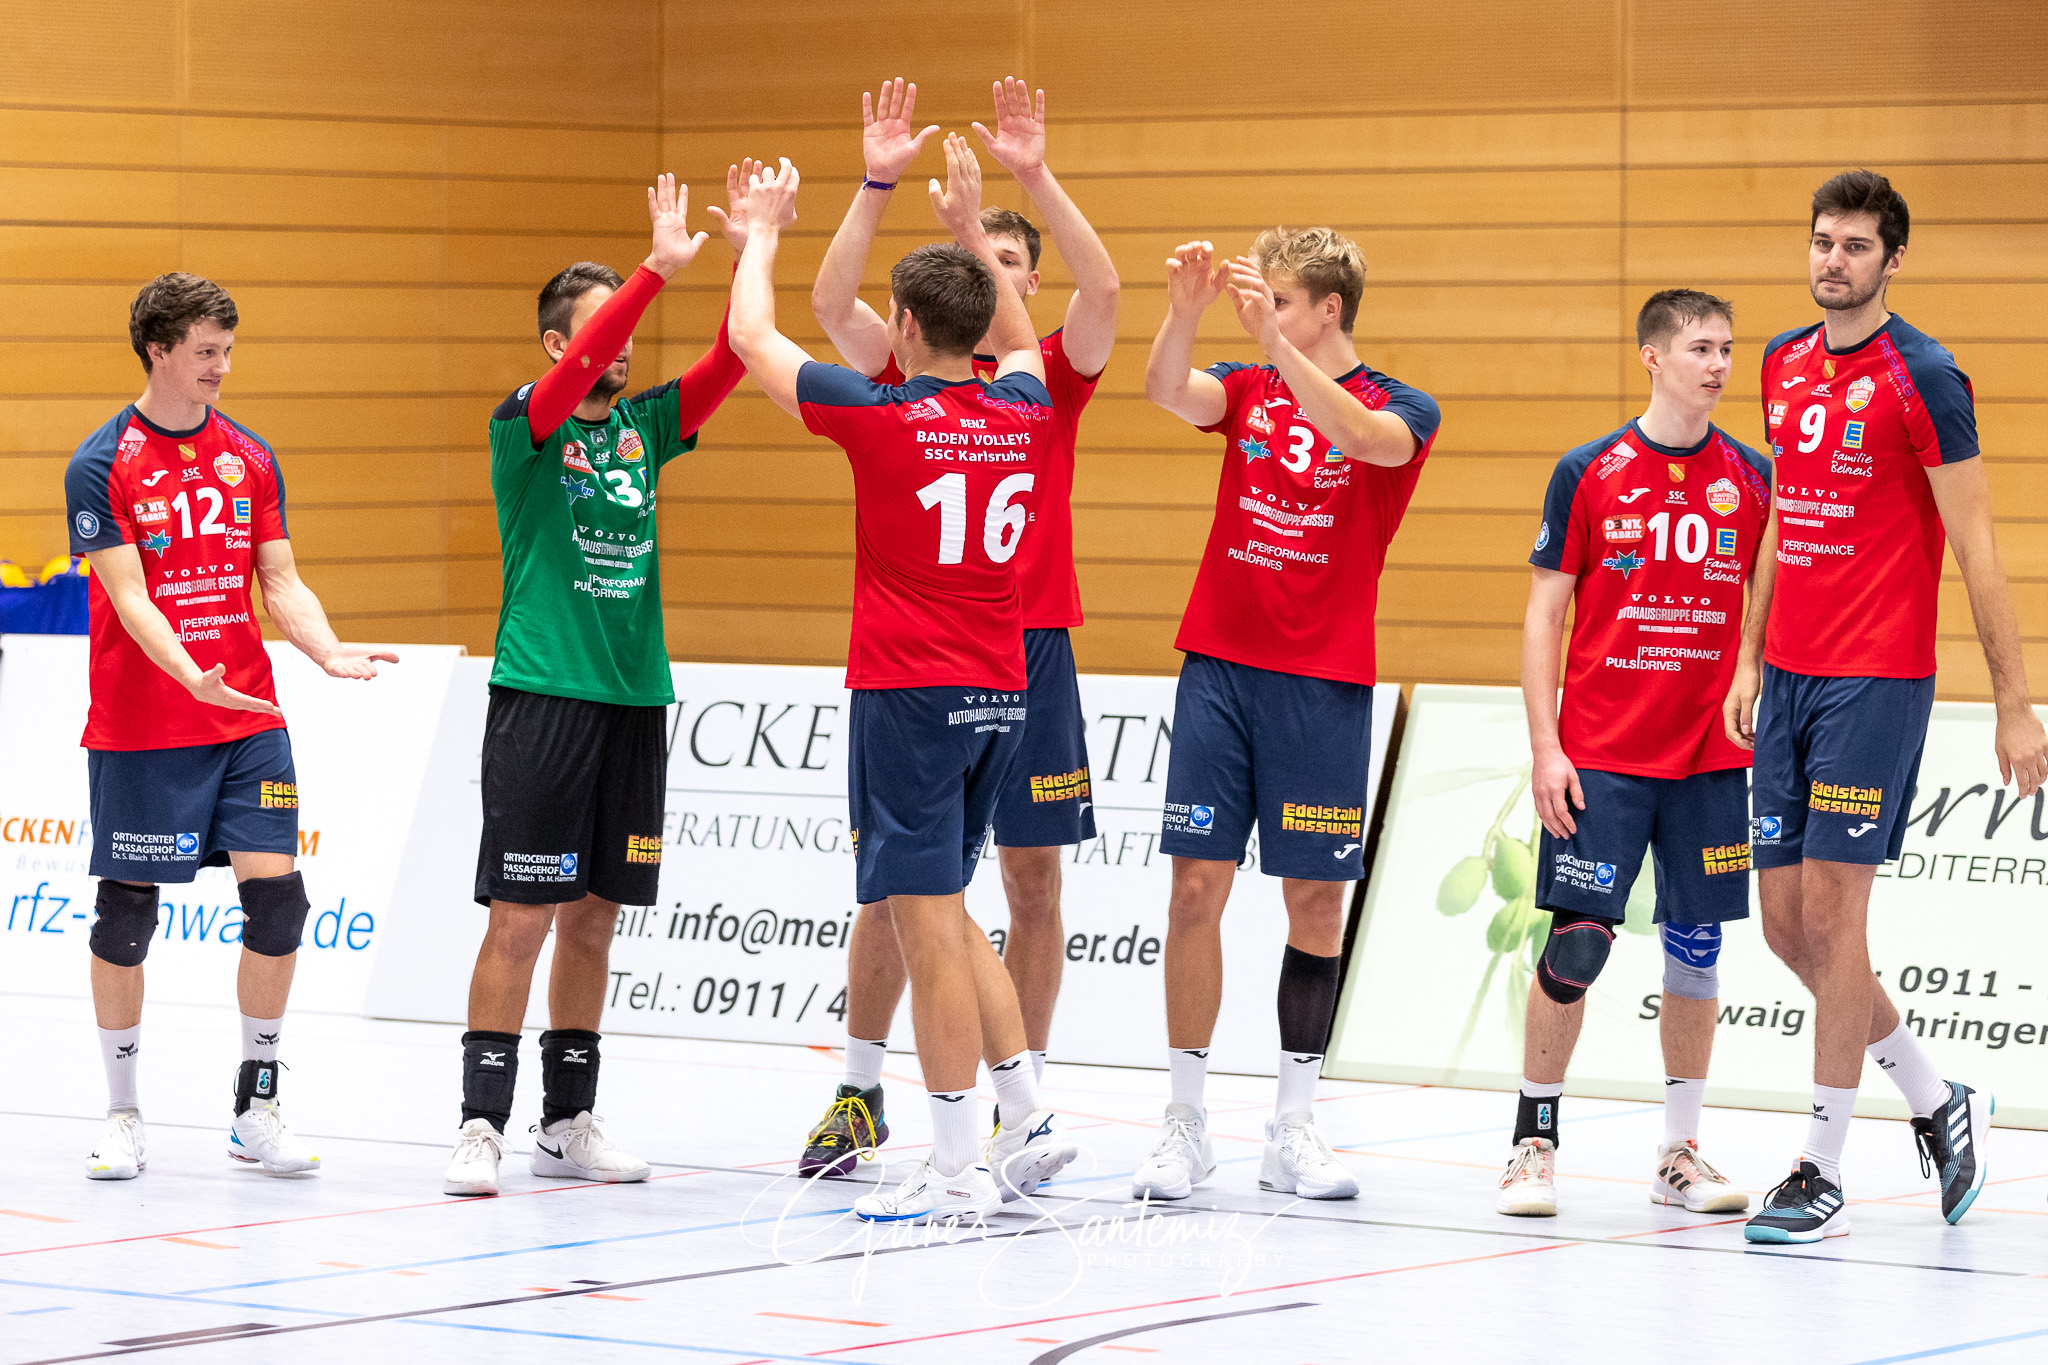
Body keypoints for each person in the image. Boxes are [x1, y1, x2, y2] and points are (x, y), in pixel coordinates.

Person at [728, 146, 1078, 1224]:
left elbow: (750, 337)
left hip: (909, 694)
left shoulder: (880, 417)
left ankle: (961, 1163)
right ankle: (1028, 1113)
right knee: (945, 905)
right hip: (1000, 692)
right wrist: (976, 237)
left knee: (925, 922)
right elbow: (1019, 344)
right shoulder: (1021, 409)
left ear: (905, 329)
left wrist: (760, 236)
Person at [798, 77, 1118, 1178]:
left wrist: (997, 205)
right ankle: (860, 1087)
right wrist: (885, 190)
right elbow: (834, 296)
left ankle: (1010, 1114)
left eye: (1006, 261)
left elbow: (1105, 287)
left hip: (1026, 645)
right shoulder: (912, 379)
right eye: (980, 264)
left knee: (1010, 887)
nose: (992, 271)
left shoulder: (1045, 380)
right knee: (902, 893)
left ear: (1017, 283)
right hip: (945, 649)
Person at [1725, 169, 2048, 1243]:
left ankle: (1817, 1168)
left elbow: (1975, 546)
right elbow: (1779, 522)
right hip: (1788, 678)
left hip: (1876, 677)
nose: (1832, 260)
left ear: (1891, 260)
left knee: (1832, 918)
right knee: (1782, 929)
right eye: (1821, 240)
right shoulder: (1777, 362)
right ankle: (1934, 1100)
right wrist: (1744, 661)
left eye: (1855, 245)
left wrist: (2014, 703)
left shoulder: (1923, 376)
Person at [442, 172, 748, 1197]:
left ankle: (564, 1118)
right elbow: (578, 365)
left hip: (632, 701)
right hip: (545, 696)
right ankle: (479, 1123)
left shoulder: (641, 431)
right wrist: (657, 268)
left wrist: (751, 249)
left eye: (624, 329)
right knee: (519, 914)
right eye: (598, 331)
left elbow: (729, 360)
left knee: (594, 914)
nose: (617, 347)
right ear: (558, 345)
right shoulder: (526, 427)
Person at [65, 271, 397, 1180]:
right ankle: (124, 1112)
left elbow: (280, 580)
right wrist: (189, 677)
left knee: (280, 901)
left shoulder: (248, 457)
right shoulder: (102, 463)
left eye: (226, 351)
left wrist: (325, 651)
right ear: (158, 350)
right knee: (126, 915)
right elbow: (128, 598)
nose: (220, 367)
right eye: (205, 351)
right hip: (143, 723)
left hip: (248, 717)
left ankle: (257, 1104)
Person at [1138, 231, 1440, 1200]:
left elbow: (1359, 440)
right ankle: (1183, 1124)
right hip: (1220, 668)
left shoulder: (1403, 408)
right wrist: (1183, 310)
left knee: (1314, 903)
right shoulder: (1246, 384)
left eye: (1281, 299)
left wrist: (1274, 349)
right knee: (1194, 890)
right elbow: (1164, 391)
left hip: (1321, 681)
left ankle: (1292, 1127)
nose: (1263, 312)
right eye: (1261, 299)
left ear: (1328, 311)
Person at [1495, 289, 1767, 1218]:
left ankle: (1679, 1152)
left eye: (1727, 348)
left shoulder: (1754, 476)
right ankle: (1533, 1141)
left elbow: (1768, 608)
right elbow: (1544, 610)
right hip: (1604, 754)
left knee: (1697, 949)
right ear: (1652, 357)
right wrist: (1545, 745)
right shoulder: (1590, 469)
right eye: (1700, 347)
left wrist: (1750, 677)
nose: (1719, 363)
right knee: (1576, 945)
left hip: (1710, 759)